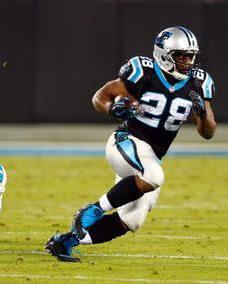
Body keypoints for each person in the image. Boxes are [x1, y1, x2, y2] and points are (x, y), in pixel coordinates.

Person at [45, 26, 217, 262]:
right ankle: (92, 211)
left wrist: (203, 115)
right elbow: (100, 97)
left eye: (190, 56)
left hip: (151, 156)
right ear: (165, 55)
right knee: (154, 176)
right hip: (125, 142)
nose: (188, 61)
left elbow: (208, 132)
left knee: (132, 219)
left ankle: (66, 241)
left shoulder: (198, 83)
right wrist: (112, 108)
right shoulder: (143, 71)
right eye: (181, 56)